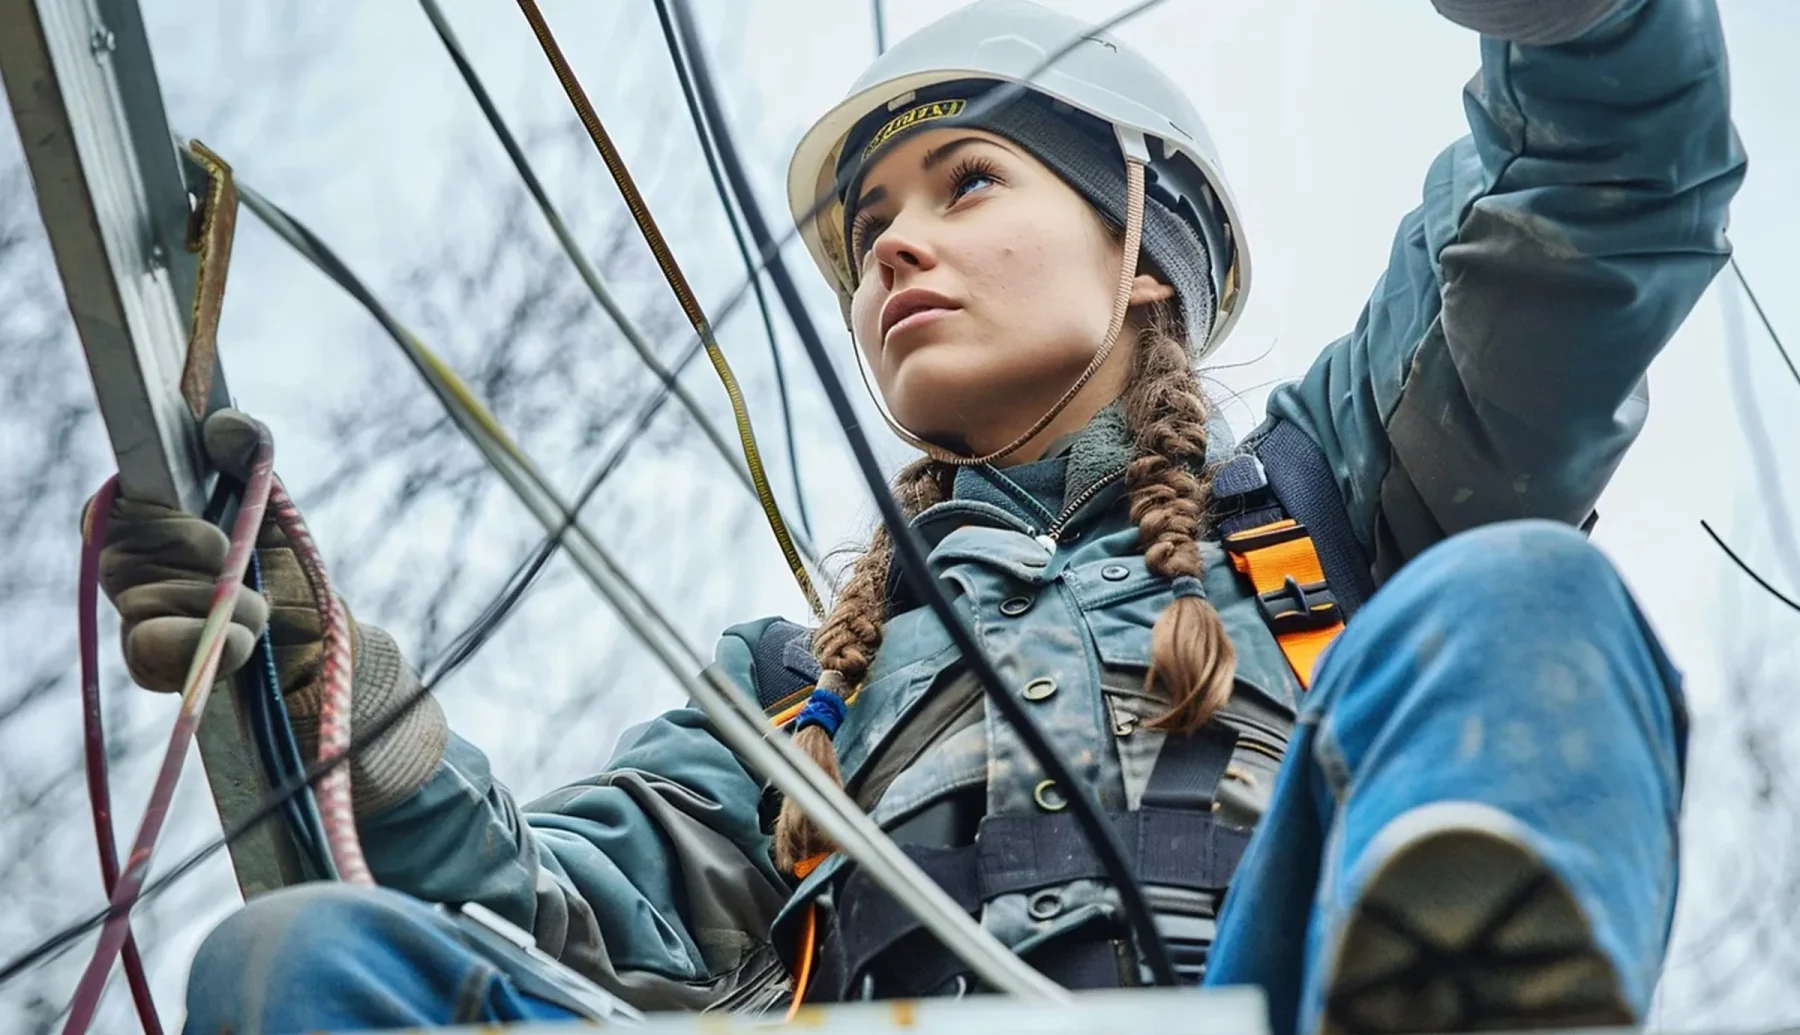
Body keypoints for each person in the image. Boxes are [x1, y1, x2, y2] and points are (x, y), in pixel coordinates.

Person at [96, 0, 1744, 1031]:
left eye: (967, 184)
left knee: (1525, 595)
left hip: (1271, 990)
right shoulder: (795, 692)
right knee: (296, 965)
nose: (891, 248)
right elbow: (542, 924)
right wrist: (330, 692)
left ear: (1141, 243)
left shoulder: (1331, 495)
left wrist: (1584, 22)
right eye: (871, 220)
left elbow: (1591, 201)